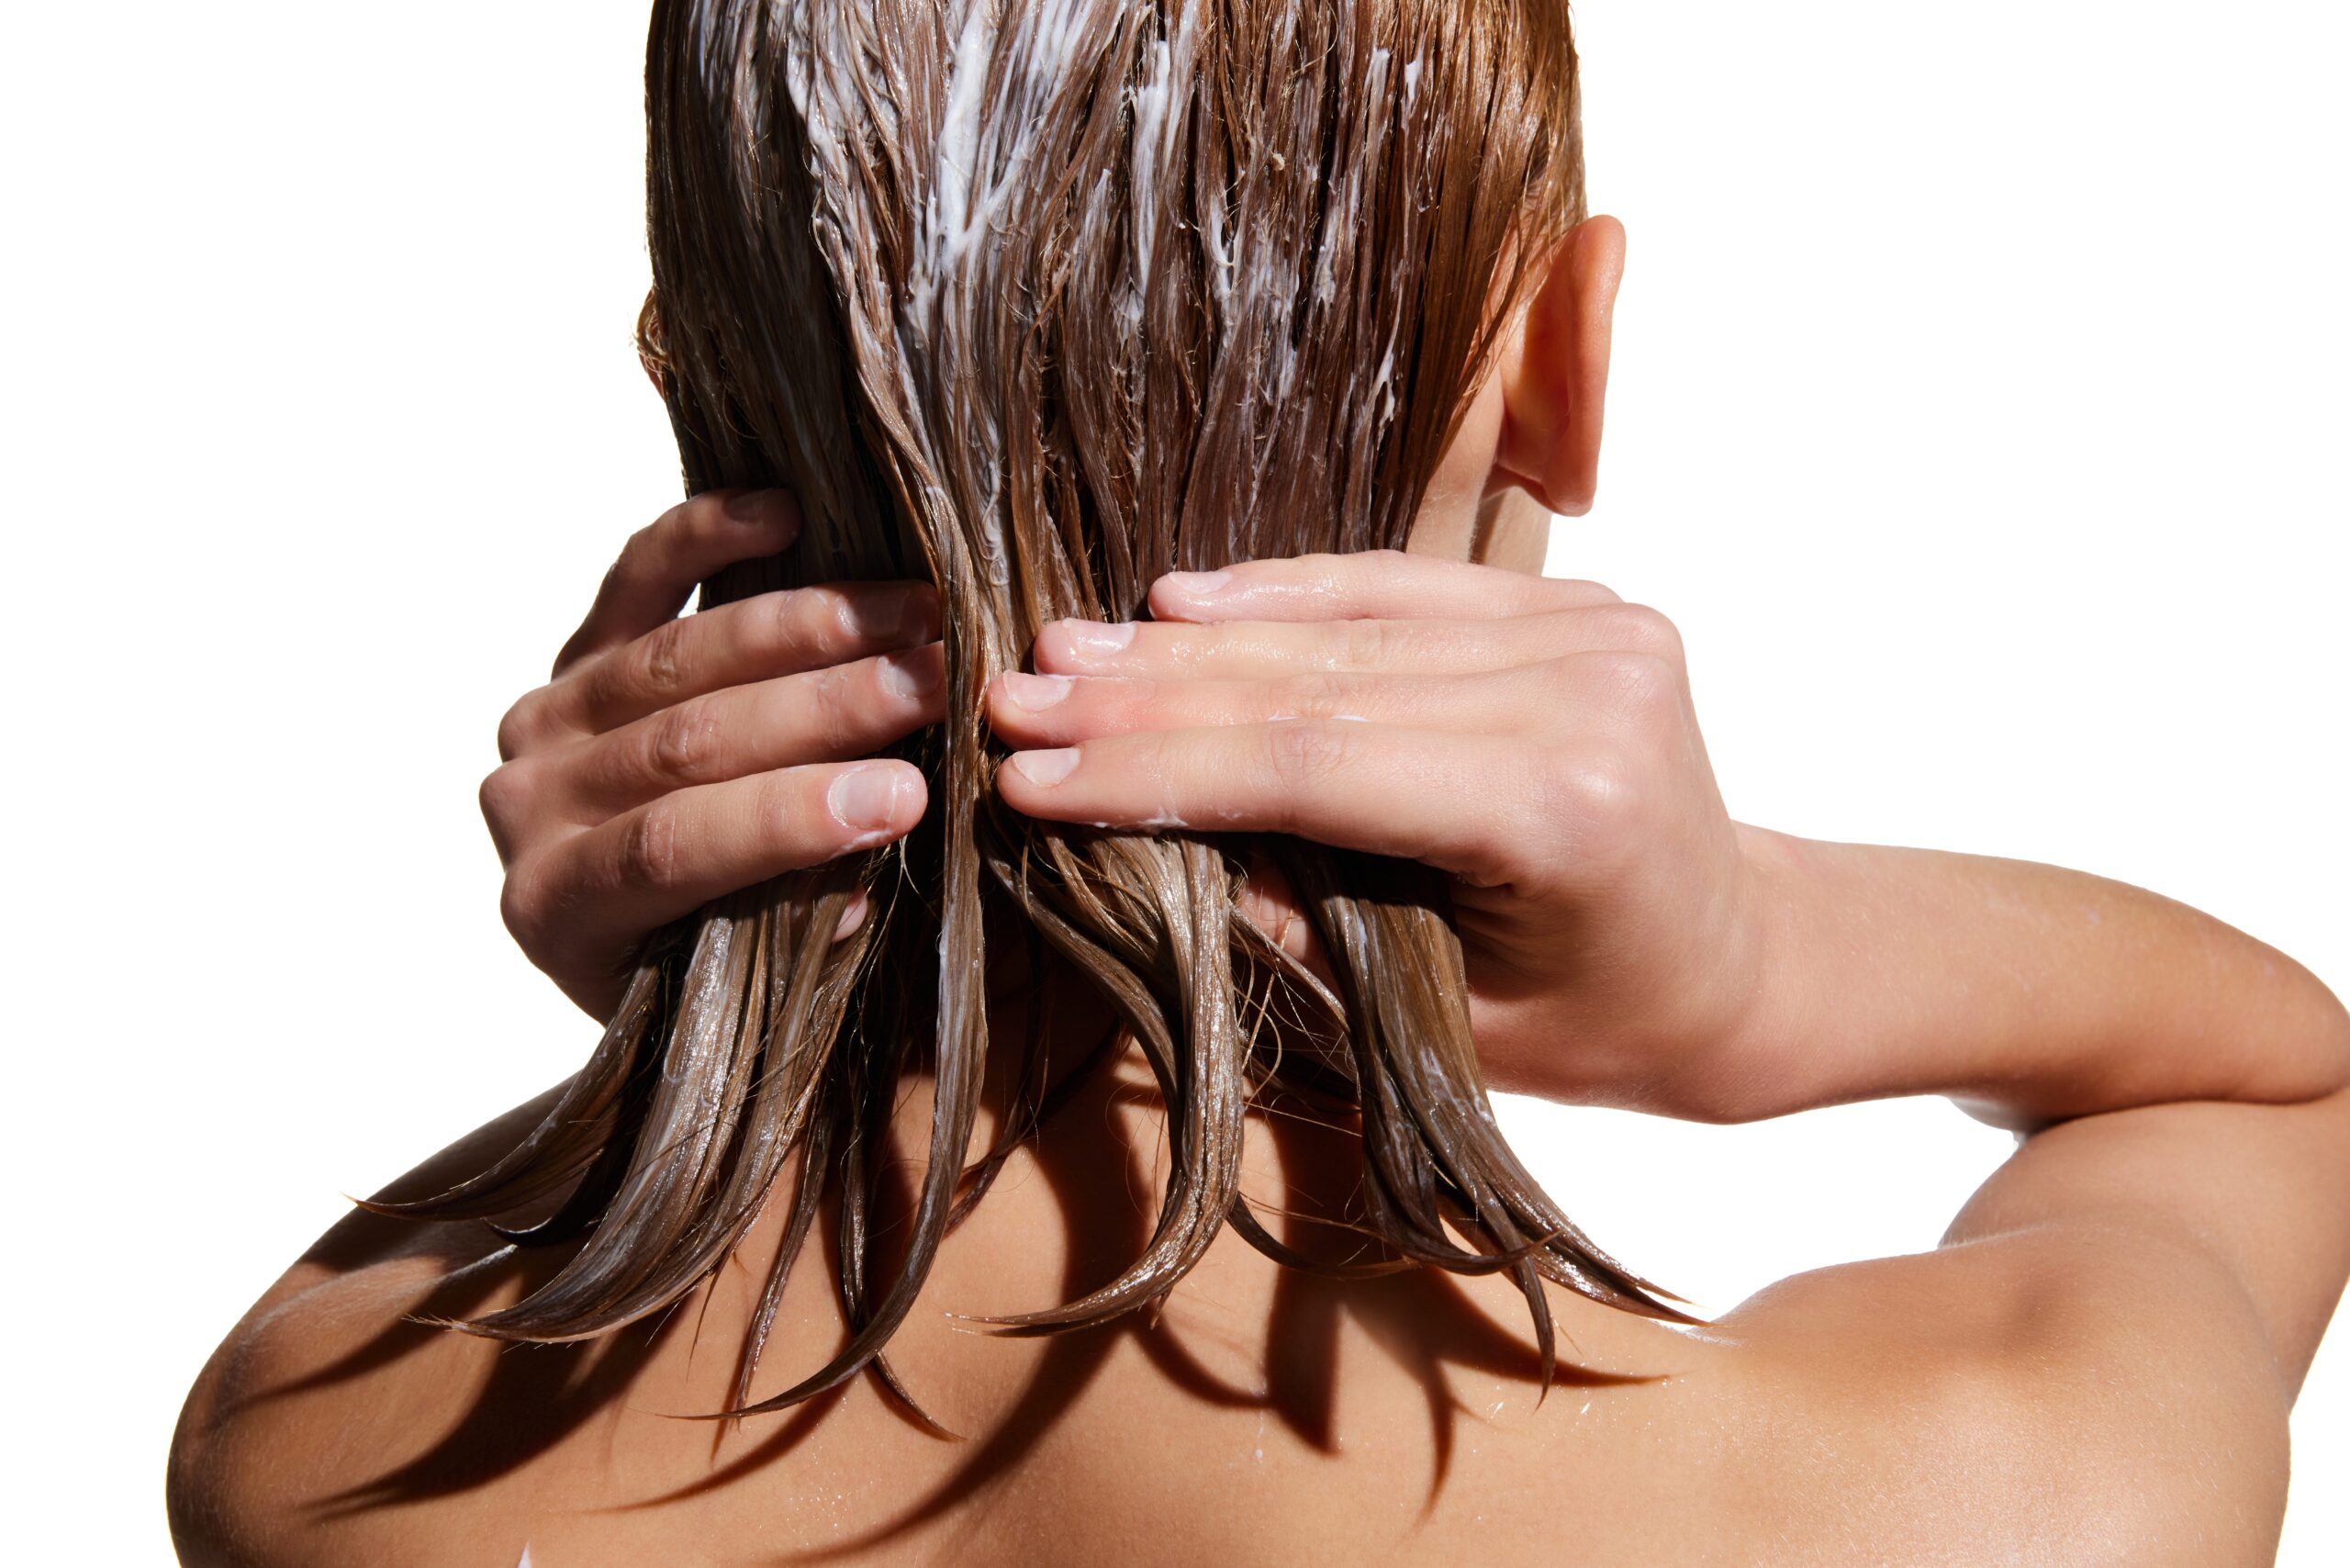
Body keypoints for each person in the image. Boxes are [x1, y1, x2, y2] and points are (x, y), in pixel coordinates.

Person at [167, 1, 2350, 1562]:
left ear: (698, 379)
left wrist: (724, 1007)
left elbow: (571, 1267)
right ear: (1562, 368)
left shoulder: (327, 1422)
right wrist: (1748, 964)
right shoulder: (1989, 1494)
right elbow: (2282, 1081)